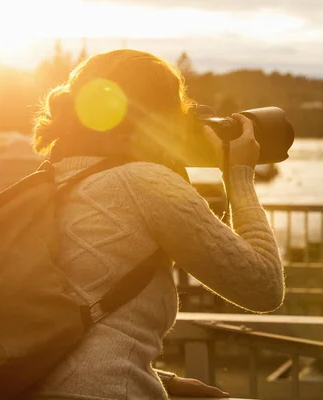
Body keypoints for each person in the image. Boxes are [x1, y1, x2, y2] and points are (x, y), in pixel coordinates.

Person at [27, 49, 284, 399]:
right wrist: (238, 173)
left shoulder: (53, 179)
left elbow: (72, 332)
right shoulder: (145, 183)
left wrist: (164, 381)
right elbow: (262, 286)